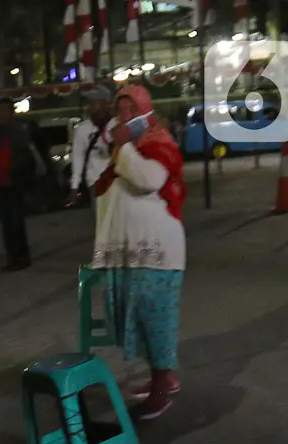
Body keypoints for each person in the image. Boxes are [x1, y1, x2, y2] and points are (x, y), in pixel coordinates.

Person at [91, 85, 187, 420]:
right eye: (122, 110)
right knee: (140, 314)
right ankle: (164, 376)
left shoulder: (158, 143)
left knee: (154, 317)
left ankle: (161, 387)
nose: (125, 117)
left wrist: (123, 145)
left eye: (132, 110)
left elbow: (149, 179)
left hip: (156, 251)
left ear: (146, 110)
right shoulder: (129, 147)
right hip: (134, 250)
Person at [0, 97, 44, 271]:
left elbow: (25, 158)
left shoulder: (18, 132)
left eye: (4, 111)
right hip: (3, 182)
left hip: (15, 182)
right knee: (7, 223)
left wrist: (16, 174)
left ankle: (20, 256)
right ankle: (14, 256)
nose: (1, 115)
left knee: (15, 222)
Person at [69, 86, 117, 207]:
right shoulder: (82, 129)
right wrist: (75, 186)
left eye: (95, 102)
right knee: (101, 224)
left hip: (119, 183)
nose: (91, 107)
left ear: (106, 104)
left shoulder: (118, 126)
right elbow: (77, 157)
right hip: (95, 183)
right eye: (89, 103)